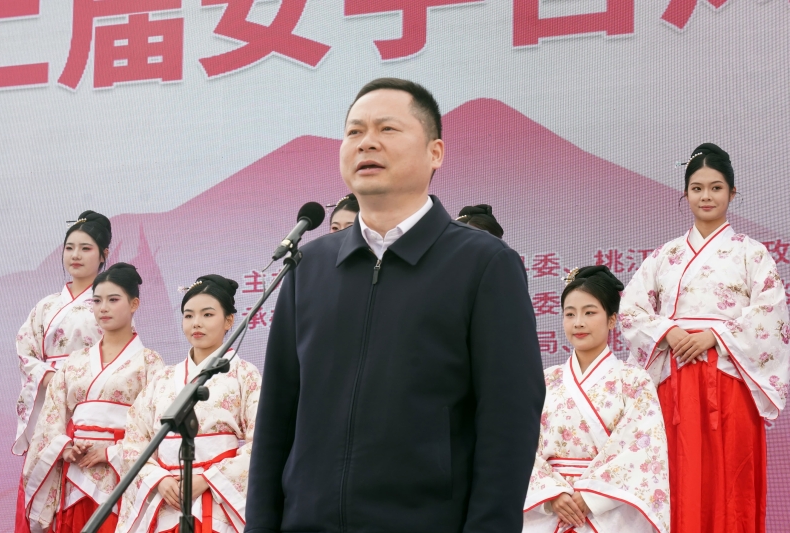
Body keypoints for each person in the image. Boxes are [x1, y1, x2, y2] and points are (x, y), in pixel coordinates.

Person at [245, 78, 545, 533]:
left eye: (387, 129)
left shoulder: (484, 265)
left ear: (435, 152)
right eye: (354, 131)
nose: (366, 142)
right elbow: (276, 415)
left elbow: (509, 419)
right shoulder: (309, 267)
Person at [619, 143, 789, 532]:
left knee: (730, 480)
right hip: (676, 380)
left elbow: (771, 313)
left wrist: (716, 335)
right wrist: (669, 330)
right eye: (697, 188)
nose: (706, 196)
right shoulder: (665, 256)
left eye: (716, 187)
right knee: (677, 477)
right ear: (685, 194)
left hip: (729, 381)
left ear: (732, 192)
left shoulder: (752, 254)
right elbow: (631, 310)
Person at [524, 266, 670, 533]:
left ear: (612, 320)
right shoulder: (544, 381)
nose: (578, 322)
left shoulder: (633, 380)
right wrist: (551, 494)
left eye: (589, 312)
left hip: (611, 510)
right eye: (570, 314)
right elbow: (519, 444)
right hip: (552, 507)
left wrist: (592, 495)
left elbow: (645, 448)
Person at [22, 263, 164, 533]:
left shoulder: (149, 362)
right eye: (97, 301)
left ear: (134, 304)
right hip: (76, 472)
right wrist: (65, 447)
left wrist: (112, 452)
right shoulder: (75, 361)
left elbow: (155, 428)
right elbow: (51, 418)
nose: (103, 308)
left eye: (113, 300)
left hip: (122, 474)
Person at [116, 275, 262, 533]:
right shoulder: (162, 378)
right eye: (188, 315)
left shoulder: (244, 374)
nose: (196, 323)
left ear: (229, 320)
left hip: (217, 499)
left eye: (208, 314)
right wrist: (158, 479)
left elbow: (263, 440)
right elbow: (134, 439)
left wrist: (209, 478)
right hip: (166, 498)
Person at [14, 210, 111, 533]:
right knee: (44, 469)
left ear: (103, 255)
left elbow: (118, 352)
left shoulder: (108, 304)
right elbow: (25, 349)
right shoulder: (46, 306)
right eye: (70, 248)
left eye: (85, 248)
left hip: (88, 401)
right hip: (50, 401)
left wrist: (81, 382)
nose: (75, 255)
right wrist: (50, 378)